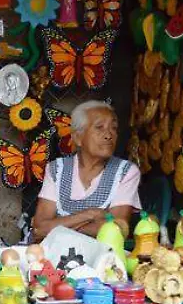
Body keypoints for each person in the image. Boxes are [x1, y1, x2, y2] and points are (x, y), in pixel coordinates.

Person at [31, 100, 140, 241]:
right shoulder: (56, 169)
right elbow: (40, 229)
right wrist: (90, 214)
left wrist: (59, 225)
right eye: (99, 127)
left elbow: (117, 228)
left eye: (113, 128)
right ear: (78, 138)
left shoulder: (126, 172)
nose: (109, 135)